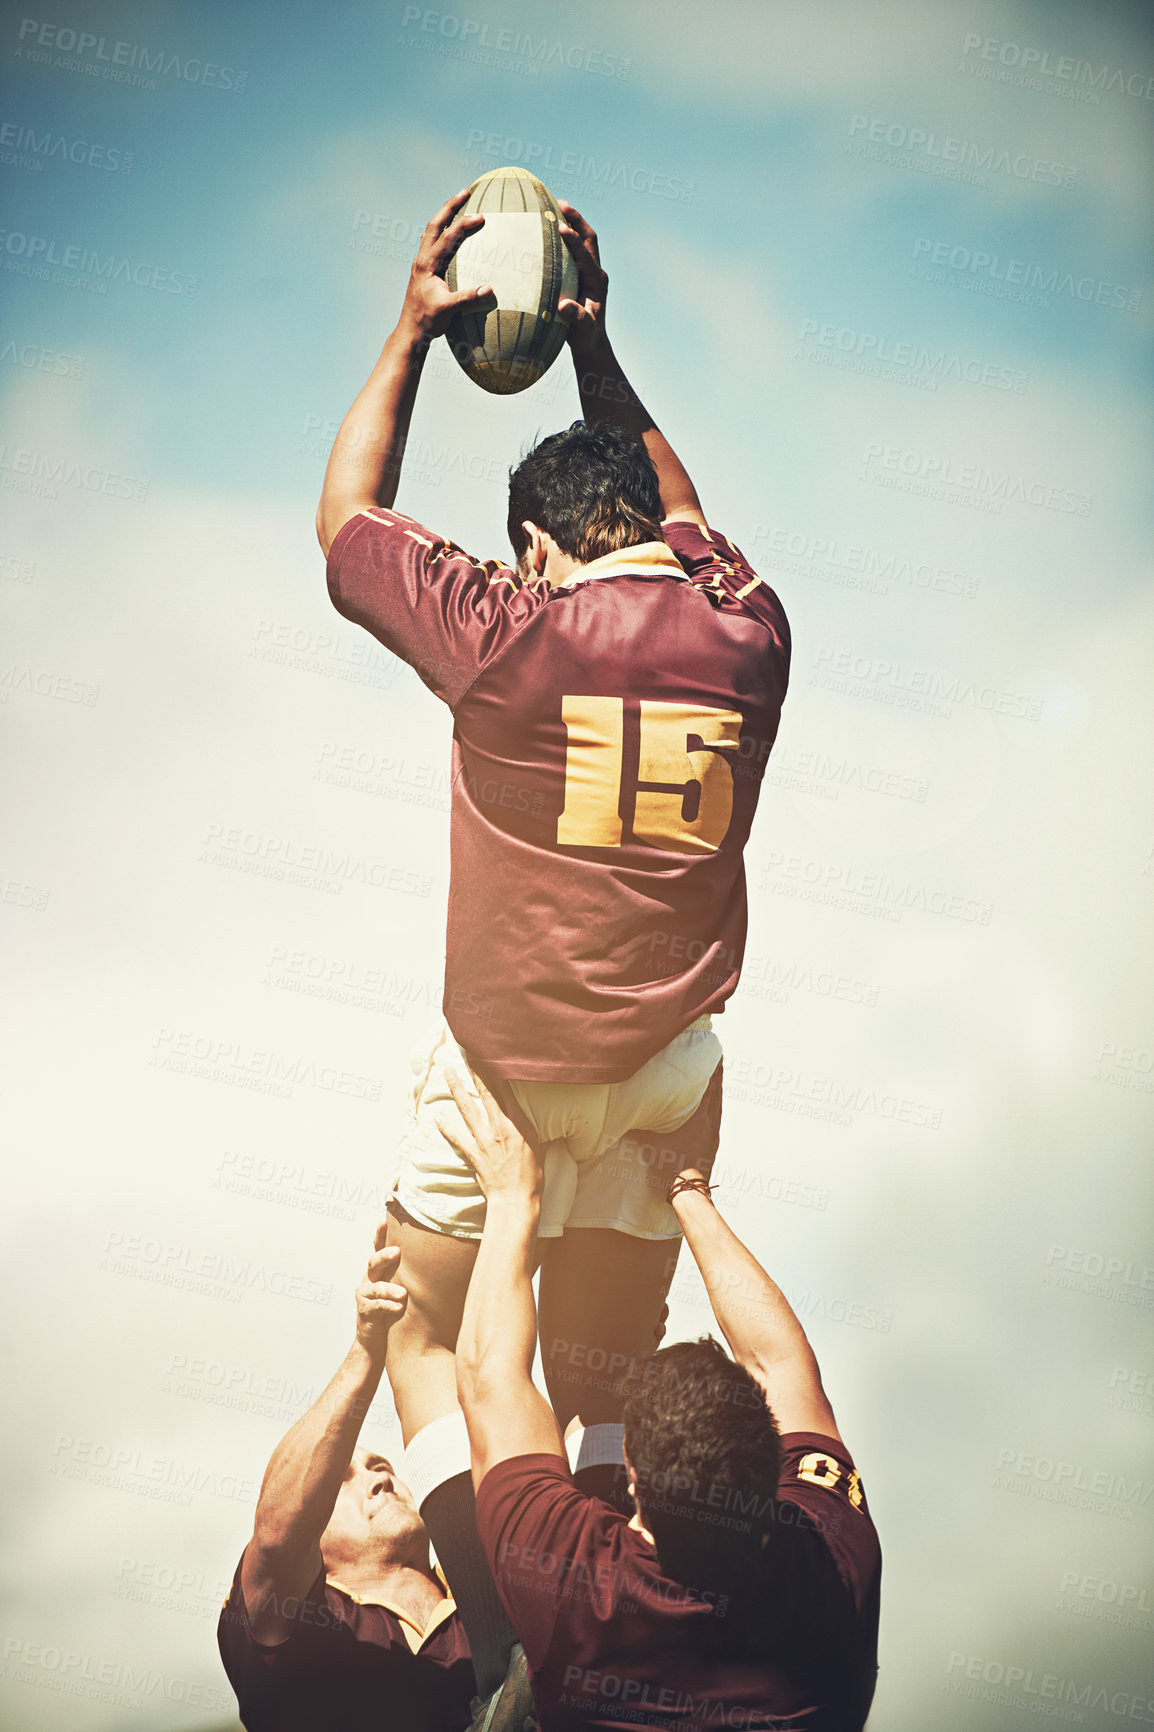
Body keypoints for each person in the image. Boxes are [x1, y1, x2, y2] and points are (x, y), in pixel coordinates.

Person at [315, 188, 790, 1694]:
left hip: (505, 1078)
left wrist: (408, 333)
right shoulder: (749, 632)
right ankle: (613, 1547)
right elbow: (686, 516)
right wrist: (598, 347)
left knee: (422, 1334)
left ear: (530, 550)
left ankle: (527, 1628)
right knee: (604, 1350)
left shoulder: (502, 637)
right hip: (665, 1071)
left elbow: (346, 524)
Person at [446, 1065, 882, 1732]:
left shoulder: (567, 1582)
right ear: (770, 1461)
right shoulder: (830, 1562)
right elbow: (782, 1365)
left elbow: (490, 1379)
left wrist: (511, 1199)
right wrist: (685, 1188)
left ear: (633, 1481)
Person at [216, 1225, 478, 1732]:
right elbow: (276, 1537)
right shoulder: (299, 1622)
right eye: (343, 1477)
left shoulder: (482, 1590)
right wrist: (368, 1347)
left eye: (382, 1464)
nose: (378, 1474)